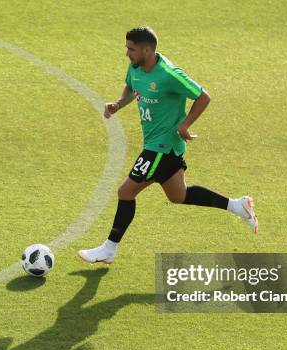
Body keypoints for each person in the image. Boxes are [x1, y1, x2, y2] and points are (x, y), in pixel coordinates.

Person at [78, 26, 258, 264]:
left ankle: (109, 249)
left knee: (125, 192)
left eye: (131, 49)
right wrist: (119, 104)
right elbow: (132, 87)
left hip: (161, 146)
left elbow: (203, 96)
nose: (127, 53)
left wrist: (184, 125)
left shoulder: (169, 74)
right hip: (160, 146)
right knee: (178, 195)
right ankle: (237, 206)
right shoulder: (136, 67)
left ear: (147, 49)